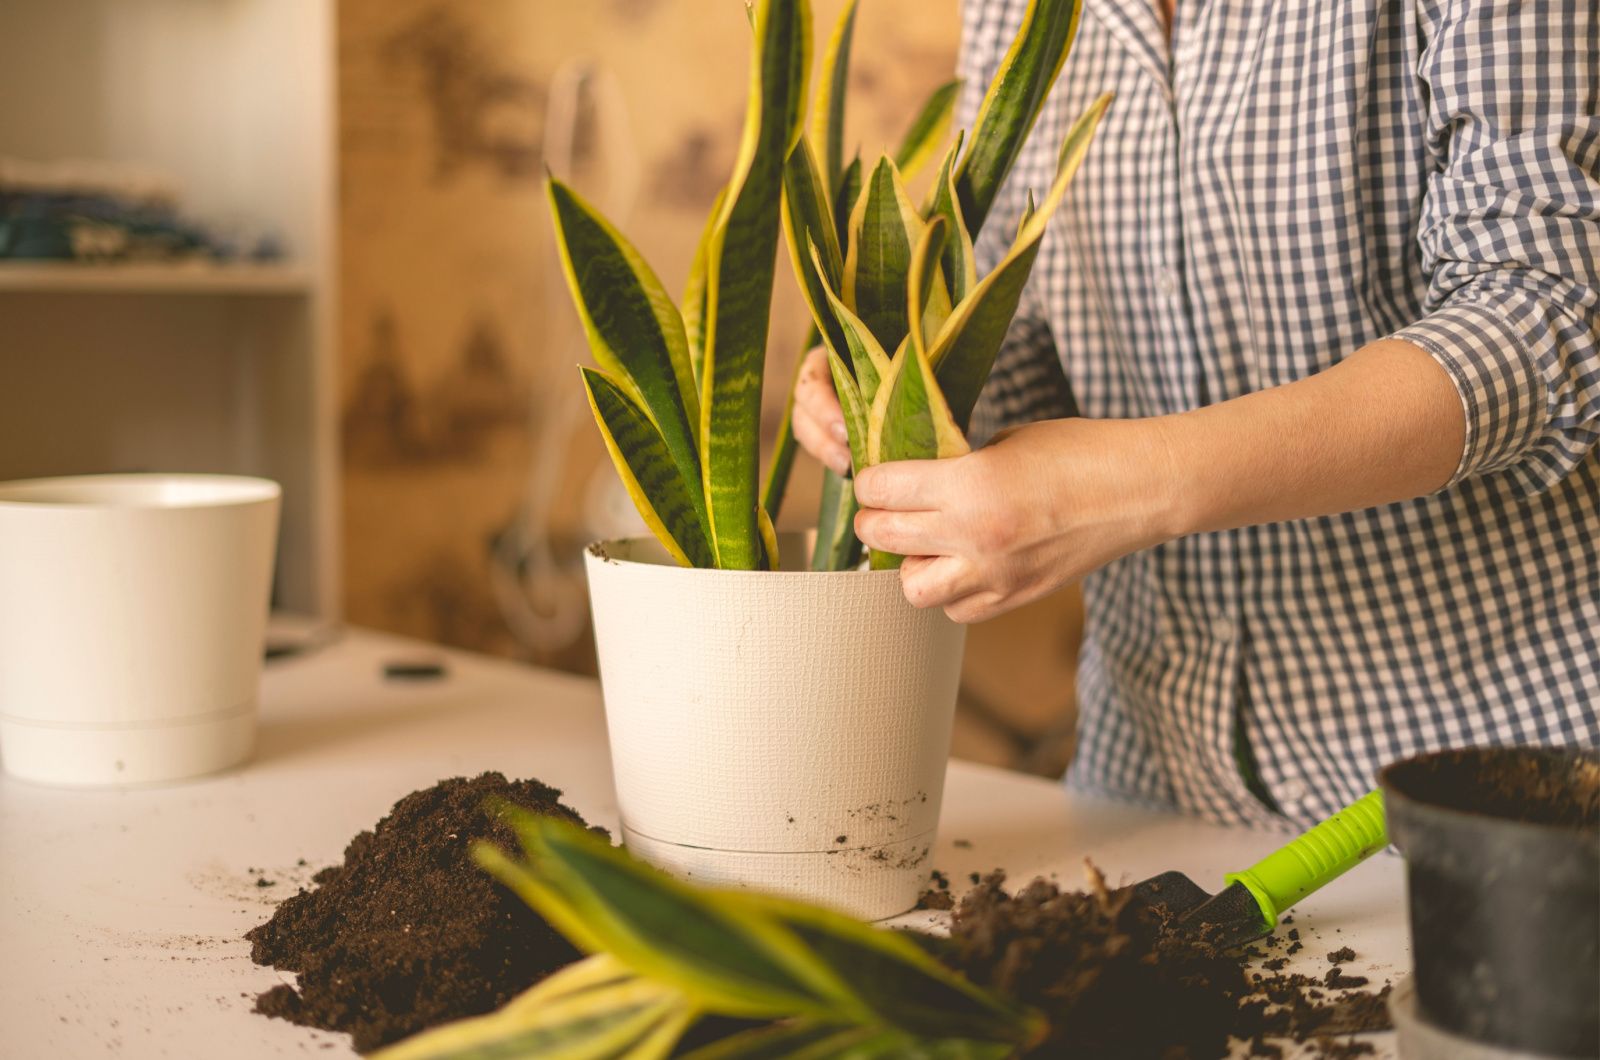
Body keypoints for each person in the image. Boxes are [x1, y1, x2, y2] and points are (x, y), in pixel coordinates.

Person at [790, 0, 1600, 826]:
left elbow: (1542, 317)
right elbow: (1021, 326)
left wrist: (1119, 488)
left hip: (1489, 778)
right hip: (1147, 775)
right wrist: (895, 392)